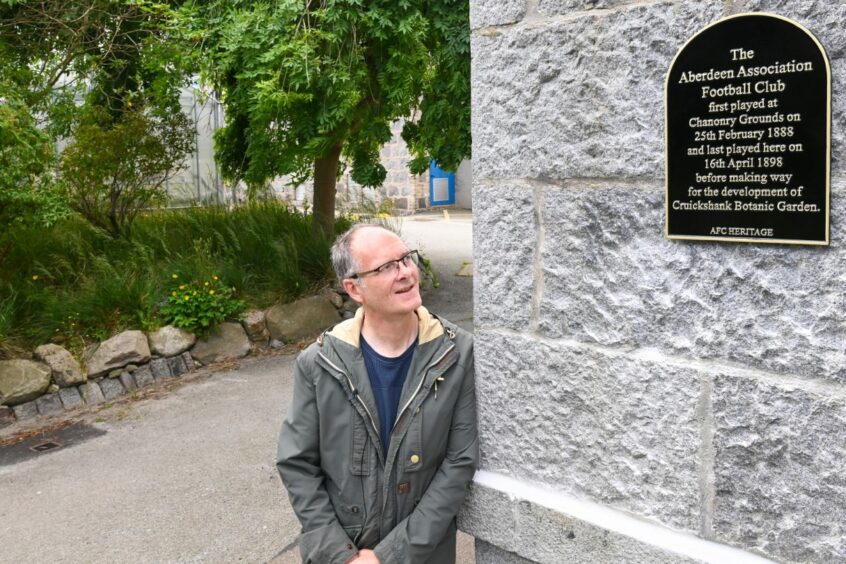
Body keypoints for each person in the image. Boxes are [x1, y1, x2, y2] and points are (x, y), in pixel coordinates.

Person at [276, 223, 478, 564]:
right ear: (354, 288)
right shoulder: (320, 362)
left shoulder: (456, 353)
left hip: (422, 554)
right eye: (386, 267)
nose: (406, 273)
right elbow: (297, 465)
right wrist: (343, 555)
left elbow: (459, 463)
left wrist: (390, 556)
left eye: (406, 259)